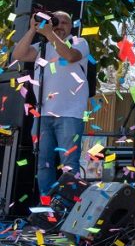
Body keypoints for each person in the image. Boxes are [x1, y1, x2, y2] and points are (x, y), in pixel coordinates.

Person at [11, 11, 90, 202]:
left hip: (70, 115)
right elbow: (18, 54)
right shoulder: (42, 48)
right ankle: (47, 211)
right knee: (43, 165)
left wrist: (49, 34)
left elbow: (70, 56)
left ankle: (67, 209)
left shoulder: (79, 42)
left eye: (65, 22)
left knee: (69, 164)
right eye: (57, 21)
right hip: (42, 114)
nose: (60, 25)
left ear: (71, 27)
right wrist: (32, 29)